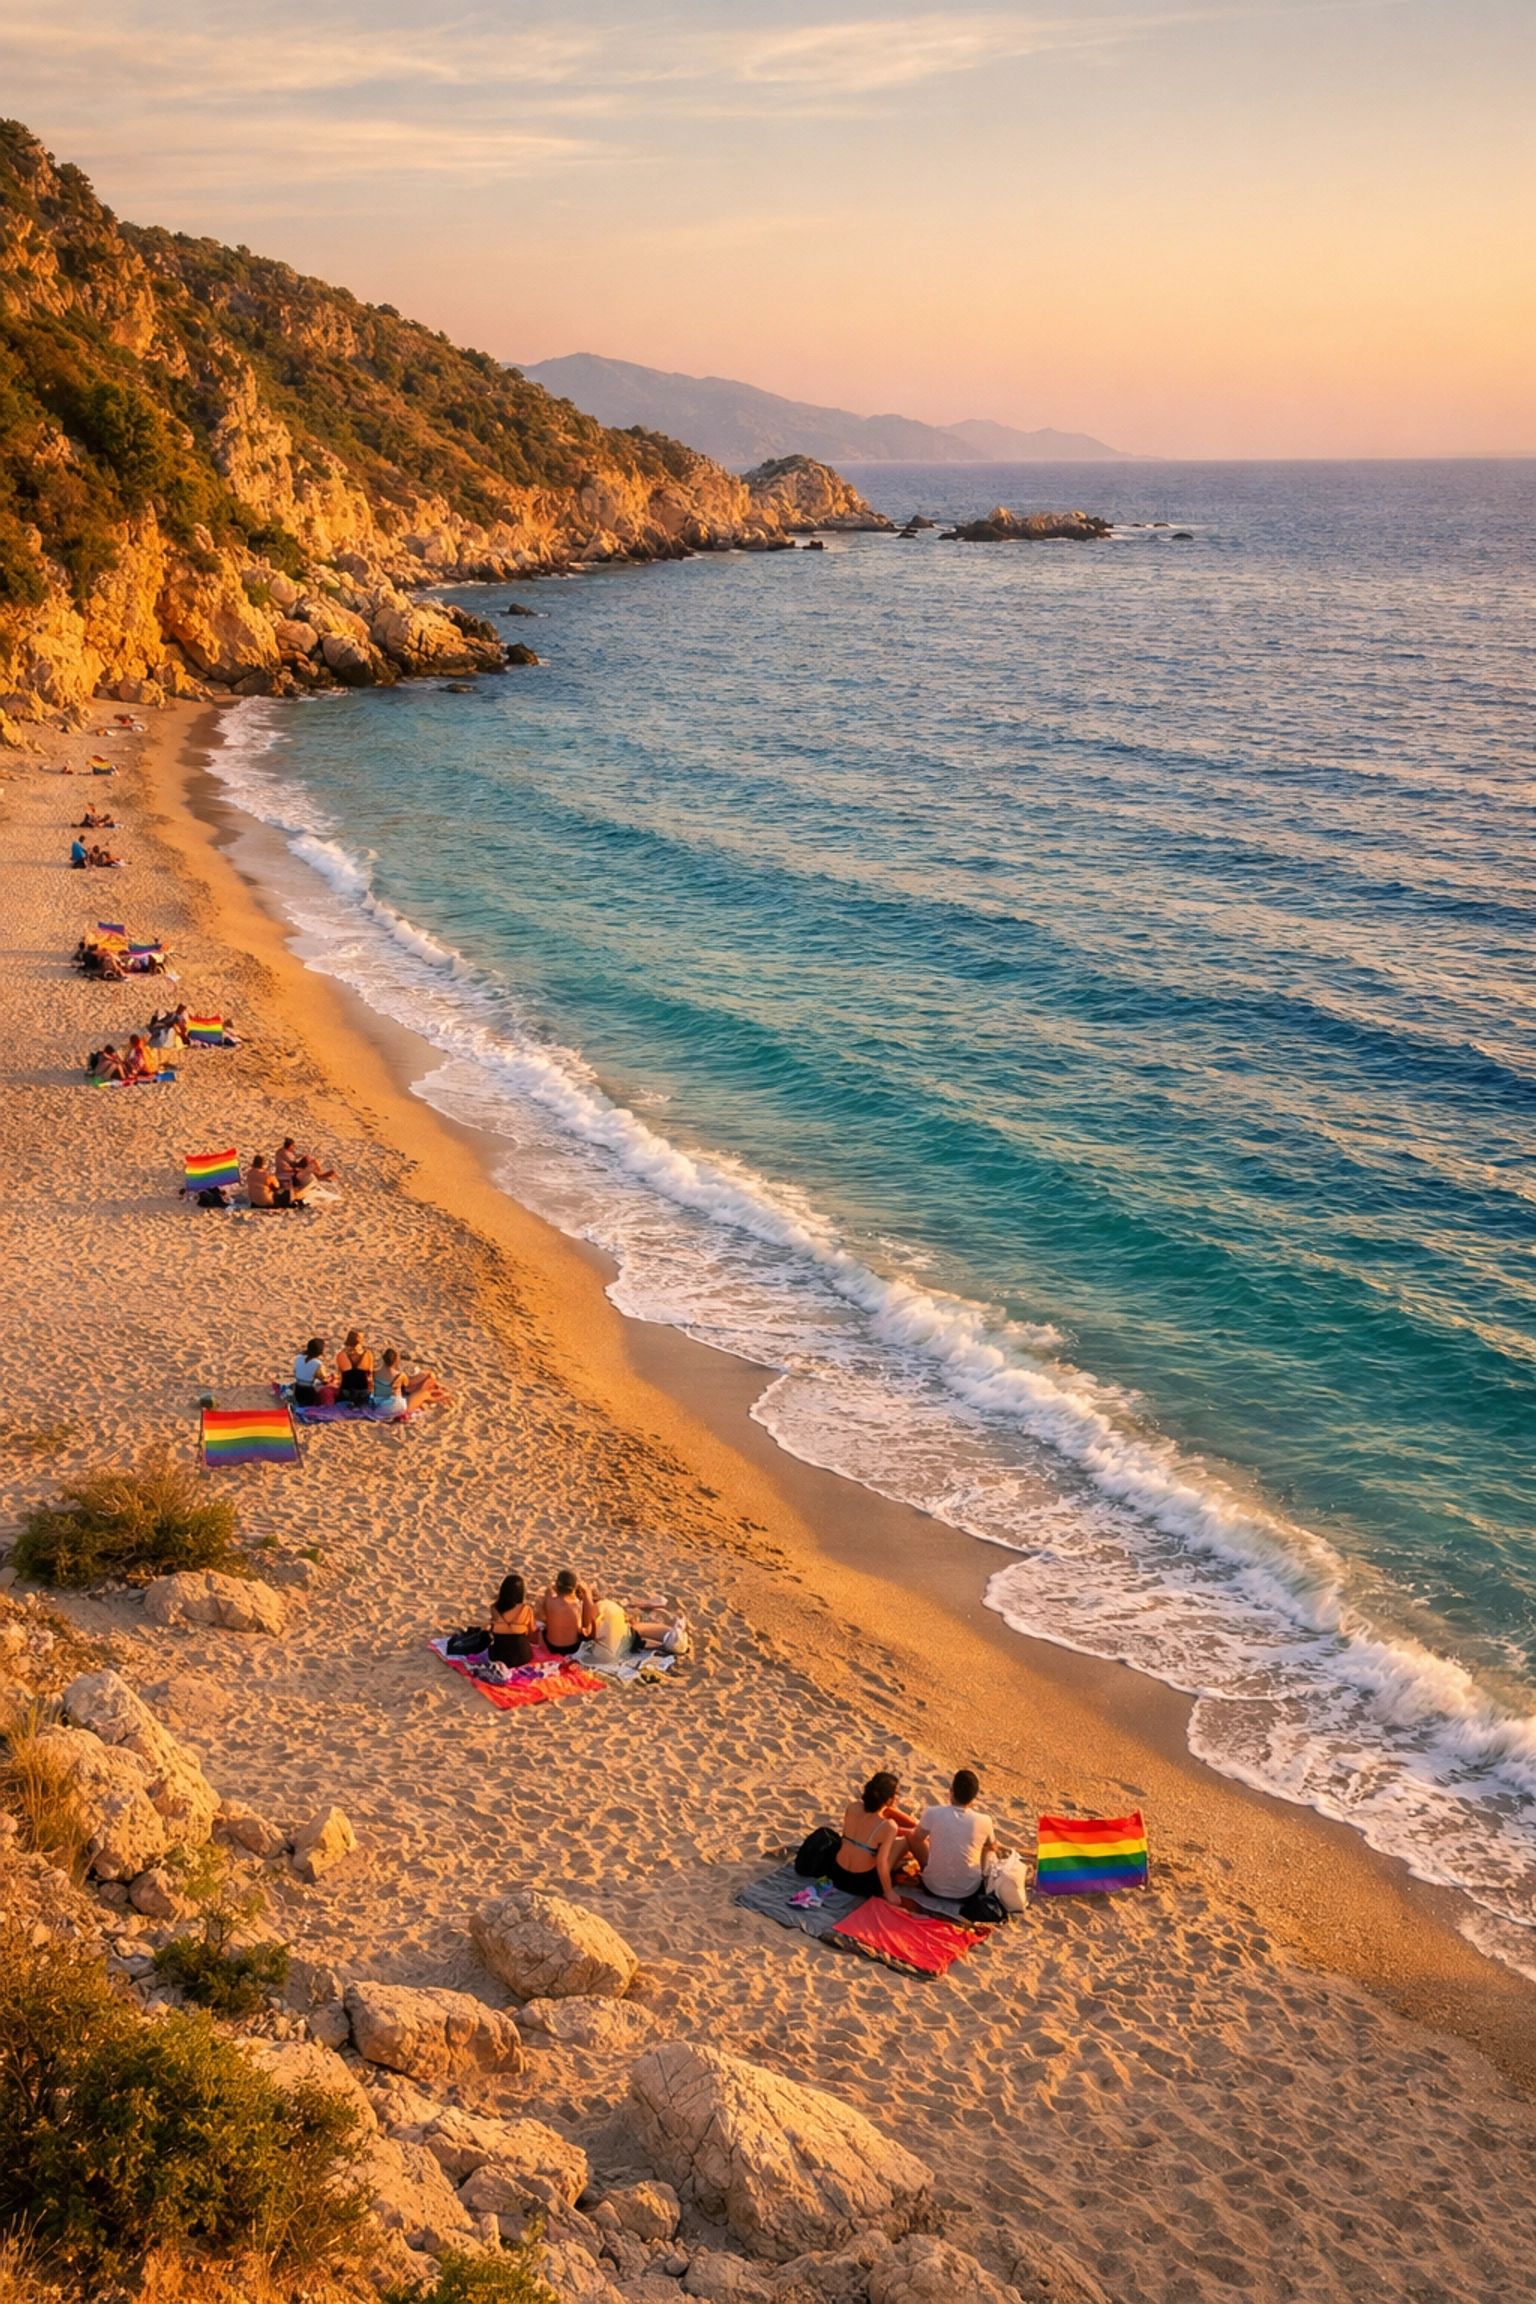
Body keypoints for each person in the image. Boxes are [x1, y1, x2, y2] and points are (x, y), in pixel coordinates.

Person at [909, 1770, 999, 1903]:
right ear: (973, 1797)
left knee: (914, 1838)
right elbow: (993, 1847)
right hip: (968, 1891)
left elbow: (916, 1839)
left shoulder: (933, 1813)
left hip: (932, 1887)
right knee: (985, 1848)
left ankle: (930, 1869)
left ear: (951, 1792)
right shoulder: (984, 1820)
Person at [830, 1772, 918, 1904]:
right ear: (889, 1799)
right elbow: (881, 1864)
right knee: (904, 1841)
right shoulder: (888, 1826)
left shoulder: (853, 1807)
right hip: (862, 1883)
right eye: (896, 1794)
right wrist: (888, 1892)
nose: (897, 1797)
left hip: (837, 1874)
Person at [540, 1570, 596, 1656]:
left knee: (541, 1629)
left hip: (550, 1646)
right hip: (572, 1648)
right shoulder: (577, 1605)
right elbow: (587, 1625)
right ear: (574, 1588)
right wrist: (587, 1593)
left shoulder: (549, 1598)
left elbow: (549, 1589)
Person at [487, 1573, 536, 1667]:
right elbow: (532, 1636)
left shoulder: (494, 1608)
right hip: (522, 1657)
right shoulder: (526, 1609)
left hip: (498, 1657)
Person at [335, 1330, 373, 1404]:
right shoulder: (368, 1354)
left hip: (346, 1393)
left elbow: (341, 1376)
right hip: (362, 1393)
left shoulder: (340, 1355)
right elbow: (370, 1376)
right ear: (361, 1341)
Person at [371, 1350, 408, 1417]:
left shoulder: (374, 1373)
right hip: (394, 1405)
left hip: (379, 1405)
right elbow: (407, 1385)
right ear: (396, 1361)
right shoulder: (400, 1375)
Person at [293, 1338, 328, 1407]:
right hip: (309, 1393)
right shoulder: (318, 1364)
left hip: (297, 1391)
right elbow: (324, 1379)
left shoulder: (298, 1358)